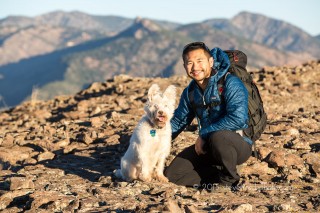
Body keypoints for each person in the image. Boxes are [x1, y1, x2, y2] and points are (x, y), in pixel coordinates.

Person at [165, 42, 252, 189]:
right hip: (208, 146)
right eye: (189, 63)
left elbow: (238, 118)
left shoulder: (230, 83)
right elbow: (179, 121)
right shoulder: (191, 92)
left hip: (237, 144)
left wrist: (204, 134)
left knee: (218, 136)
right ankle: (218, 175)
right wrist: (154, 139)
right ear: (184, 66)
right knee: (172, 175)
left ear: (211, 62)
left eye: (200, 61)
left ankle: (230, 178)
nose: (195, 67)